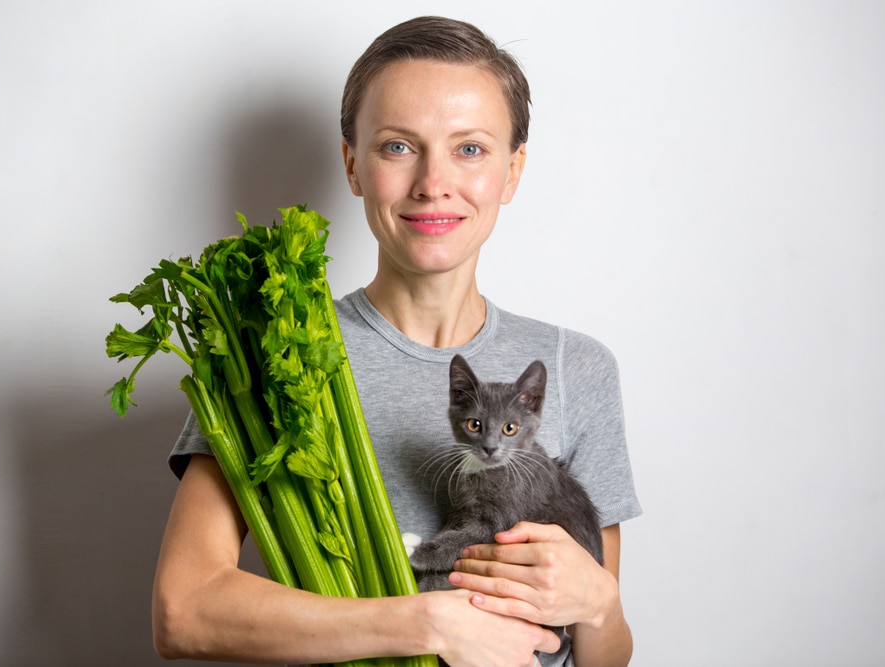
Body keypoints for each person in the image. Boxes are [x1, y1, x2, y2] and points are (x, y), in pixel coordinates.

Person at [153, 15, 641, 667]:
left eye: (470, 148)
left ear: (512, 171)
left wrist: (600, 604)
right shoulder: (272, 354)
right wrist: (429, 624)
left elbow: (602, 655)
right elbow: (184, 611)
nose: (433, 182)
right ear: (353, 165)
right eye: (398, 146)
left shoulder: (575, 366)